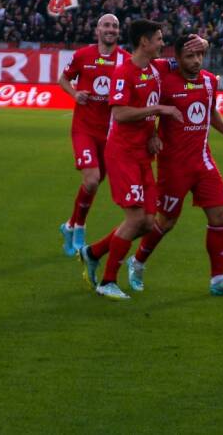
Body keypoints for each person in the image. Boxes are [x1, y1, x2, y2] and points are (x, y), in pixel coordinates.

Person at [124, 34, 223, 297]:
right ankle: (137, 262)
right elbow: (150, 107)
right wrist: (154, 135)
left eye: (199, 55)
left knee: (219, 216)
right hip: (174, 166)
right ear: (178, 57)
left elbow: (210, 110)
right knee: (166, 222)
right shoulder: (164, 80)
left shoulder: (210, 81)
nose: (196, 61)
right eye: (190, 56)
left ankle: (218, 279)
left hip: (203, 161)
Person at [78, 20, 184, 300]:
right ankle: (107, 281)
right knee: (135, 218)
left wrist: (154, 132)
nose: (163, 44)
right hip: (122, 153)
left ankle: (93, 252)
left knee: (149, 222)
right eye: (159, 39)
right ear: (144, 42)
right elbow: (120, 114)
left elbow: (186, 62)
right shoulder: (124, 72)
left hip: (142, 153)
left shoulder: (154, 69)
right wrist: (159, 108)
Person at [57, 14, 129, 256]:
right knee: (90, 179)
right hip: (84, 129)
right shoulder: (83, 55)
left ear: (118, 32)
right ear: (97, 29)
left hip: (111, 134)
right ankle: (80, 227)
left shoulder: (125, 60)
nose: (111, 29)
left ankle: (68, 226)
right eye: (106, 25)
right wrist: (75, 94)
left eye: (115, 26)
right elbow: (63, 79)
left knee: (94, 183)